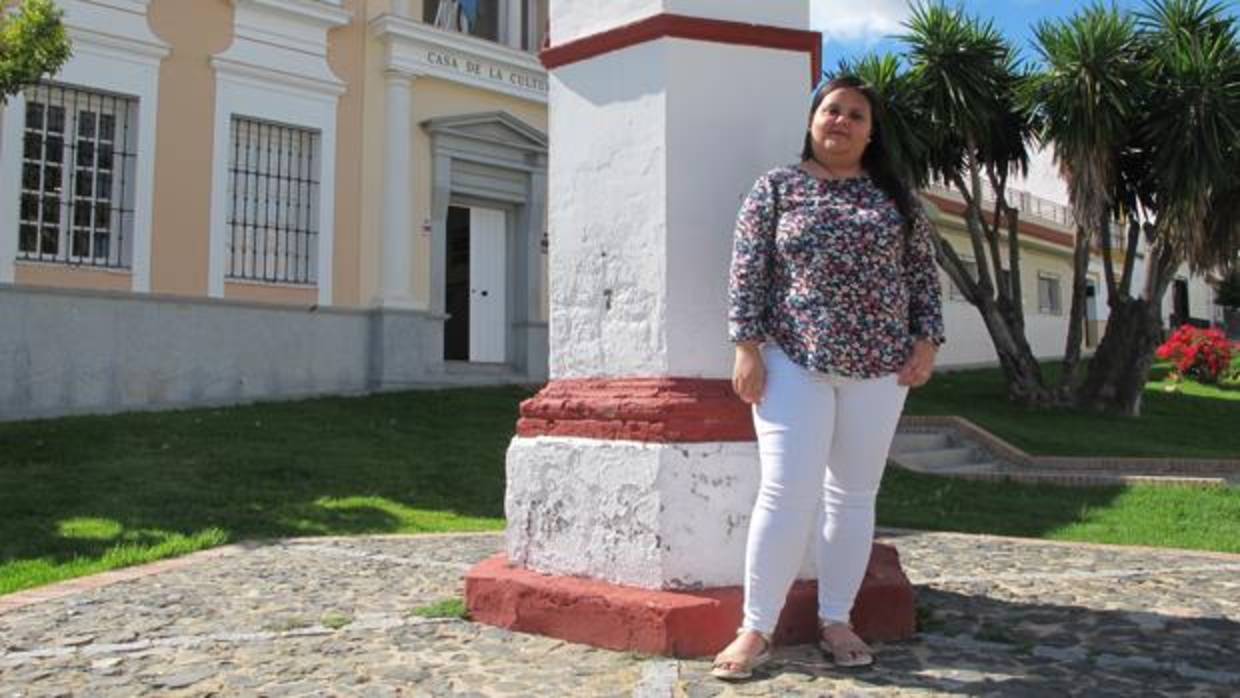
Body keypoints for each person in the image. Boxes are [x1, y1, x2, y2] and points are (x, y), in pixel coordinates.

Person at [711, 76, 945, 680]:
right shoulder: (776, 188)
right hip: (793, 361)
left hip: (881, 367)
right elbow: (747, 271)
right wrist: (746, 348)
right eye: (832, 110)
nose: (841, 121)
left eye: (856, 115)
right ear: (813, 120)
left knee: (854, 495)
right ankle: (755, 628)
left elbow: (923, 275)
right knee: (786, 491)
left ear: (871, 133)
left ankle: (836, 619)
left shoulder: (895, 198)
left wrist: (926, 342)